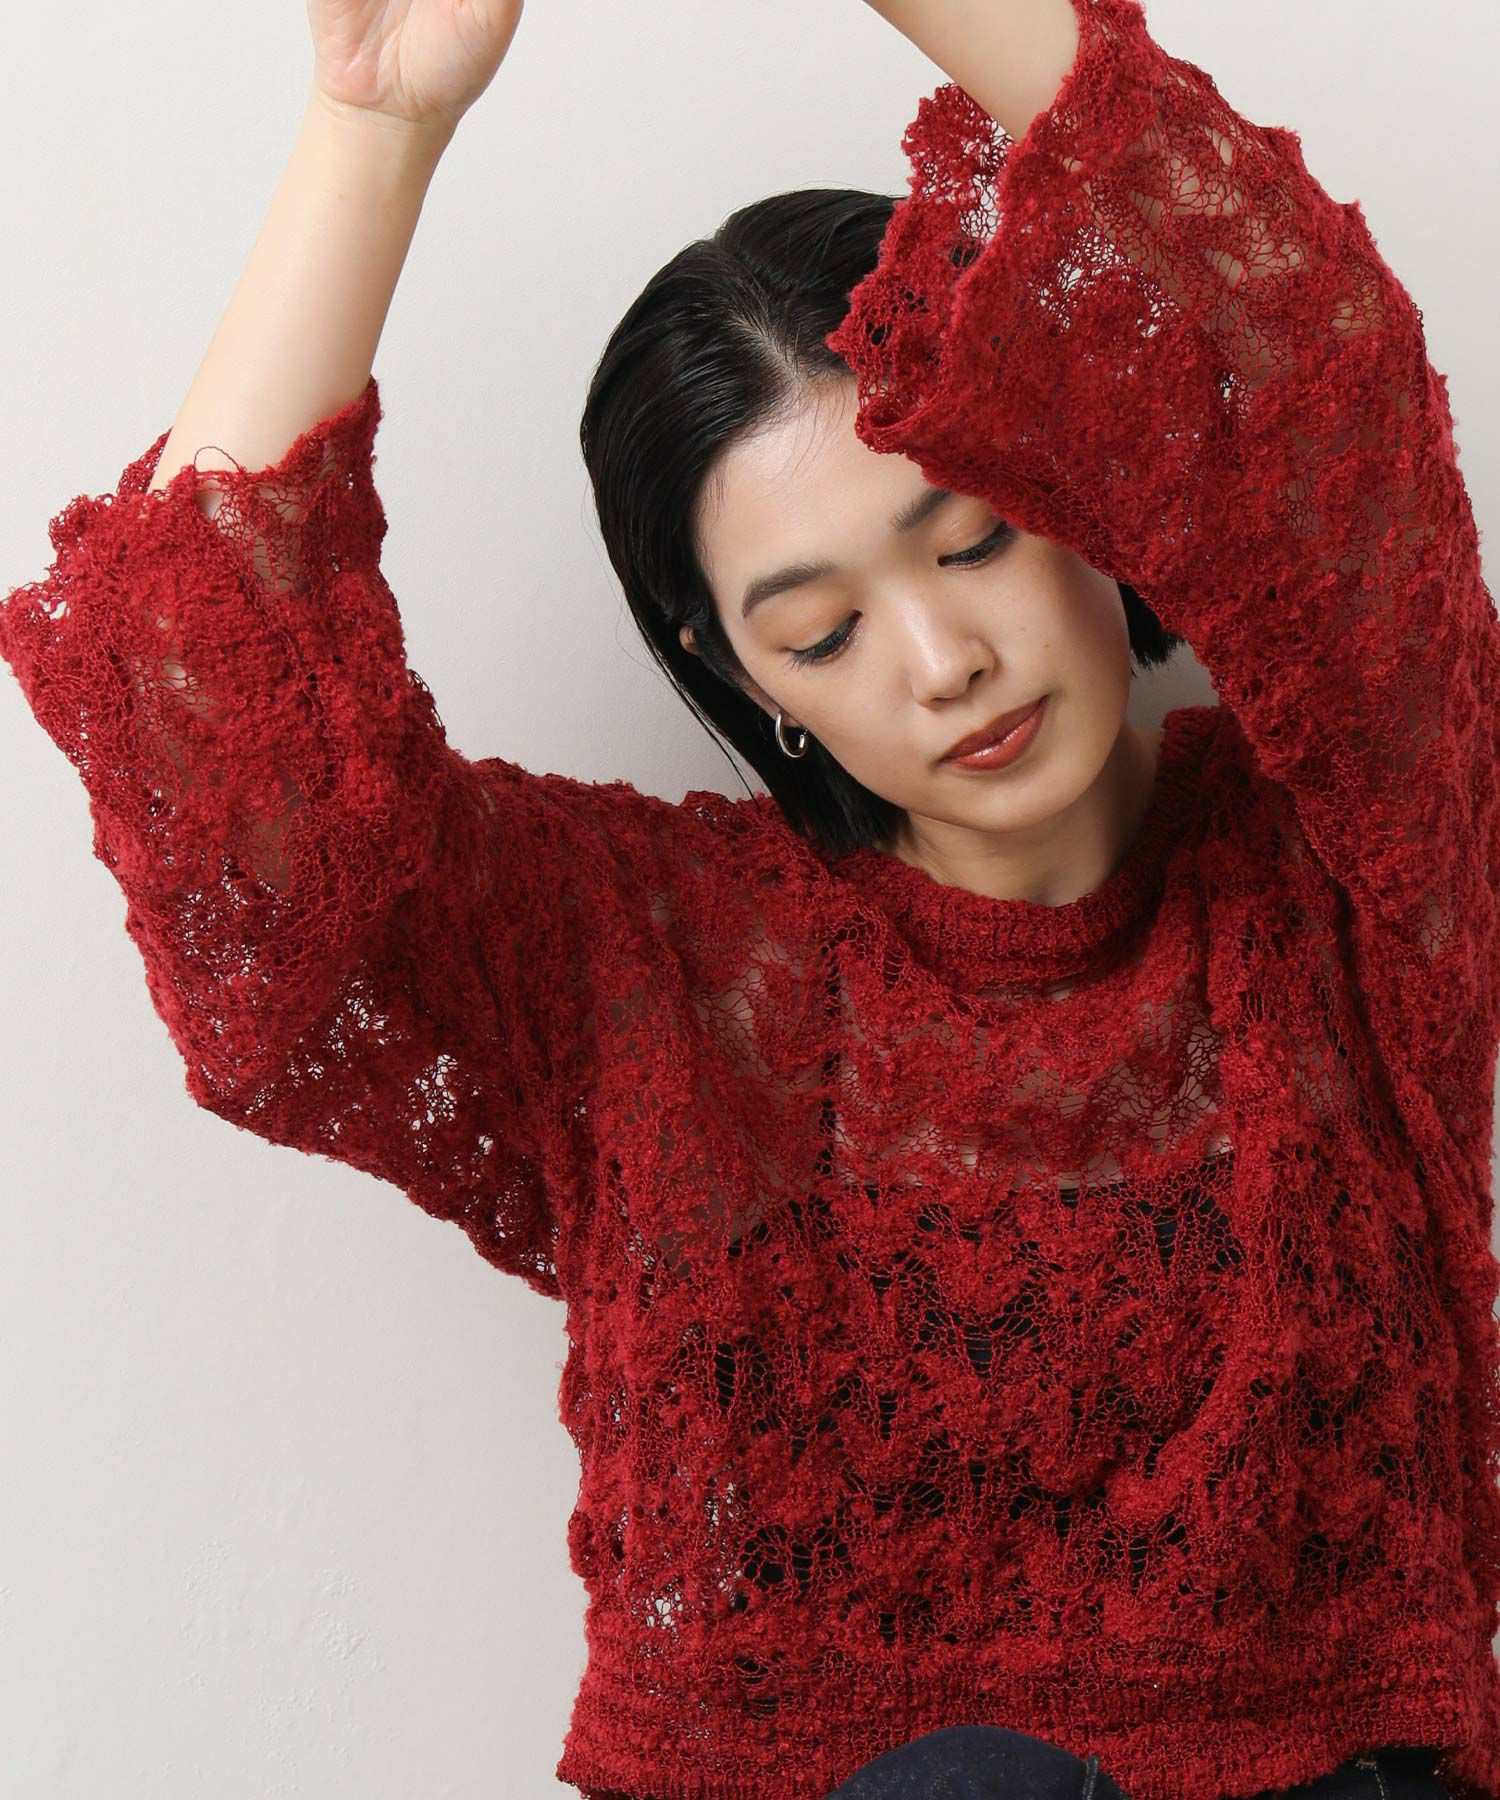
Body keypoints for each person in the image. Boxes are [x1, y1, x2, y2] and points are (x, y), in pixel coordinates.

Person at [2, 0, 1496, 1796]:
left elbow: (1319, 361)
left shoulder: (1358, 855)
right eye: (824, 630)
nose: (942, 661)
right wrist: (369, 129)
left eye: (974, 540)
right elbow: (219, 790)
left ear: (1090, 483)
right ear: (741, 675)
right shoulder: (644, 965)